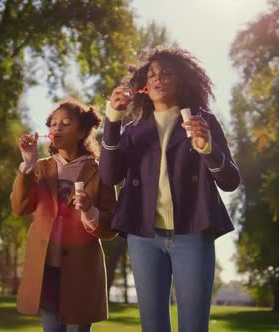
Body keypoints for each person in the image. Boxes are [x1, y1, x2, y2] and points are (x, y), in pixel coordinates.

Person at [99, 47, 241, 332]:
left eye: (166, 73)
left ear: (183, 81)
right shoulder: (134, 130)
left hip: (193, 232)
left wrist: (208, 150)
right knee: (152, 327)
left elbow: (230, 181)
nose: (157, 78)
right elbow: (109, 174)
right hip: (144, 236)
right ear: (144, 85)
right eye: (151, 74)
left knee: (194, 325)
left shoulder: (205, 123)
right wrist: (112, 122)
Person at [11, 98, 117, 332]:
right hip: (46, 270)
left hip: (82, 272)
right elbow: (20, 208)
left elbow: (111, 228)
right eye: (53, 124)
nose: (57, 128)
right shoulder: (41, 168)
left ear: (81, 132)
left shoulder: (100, 171)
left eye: (66, 123)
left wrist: (90, 210)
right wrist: (28, 164)